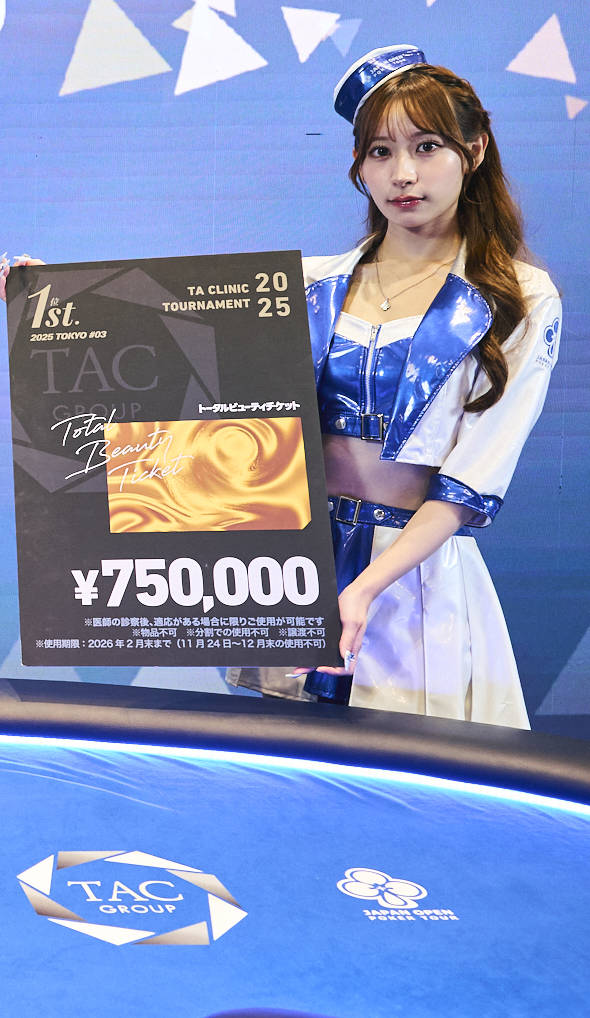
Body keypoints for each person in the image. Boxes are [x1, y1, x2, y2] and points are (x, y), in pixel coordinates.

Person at [227, 48, 559, 724]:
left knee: (410, 776)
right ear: (359, 166)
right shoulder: (304, 285)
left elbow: (470, 482)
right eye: (380, 152)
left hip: (417, 585)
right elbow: (171, 356)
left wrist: (366, 587)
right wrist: (49, 303)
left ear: (475, 149)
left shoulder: (520, 299)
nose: (402, 173)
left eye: (426, 146)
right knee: (286, 771)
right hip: (294, 575)